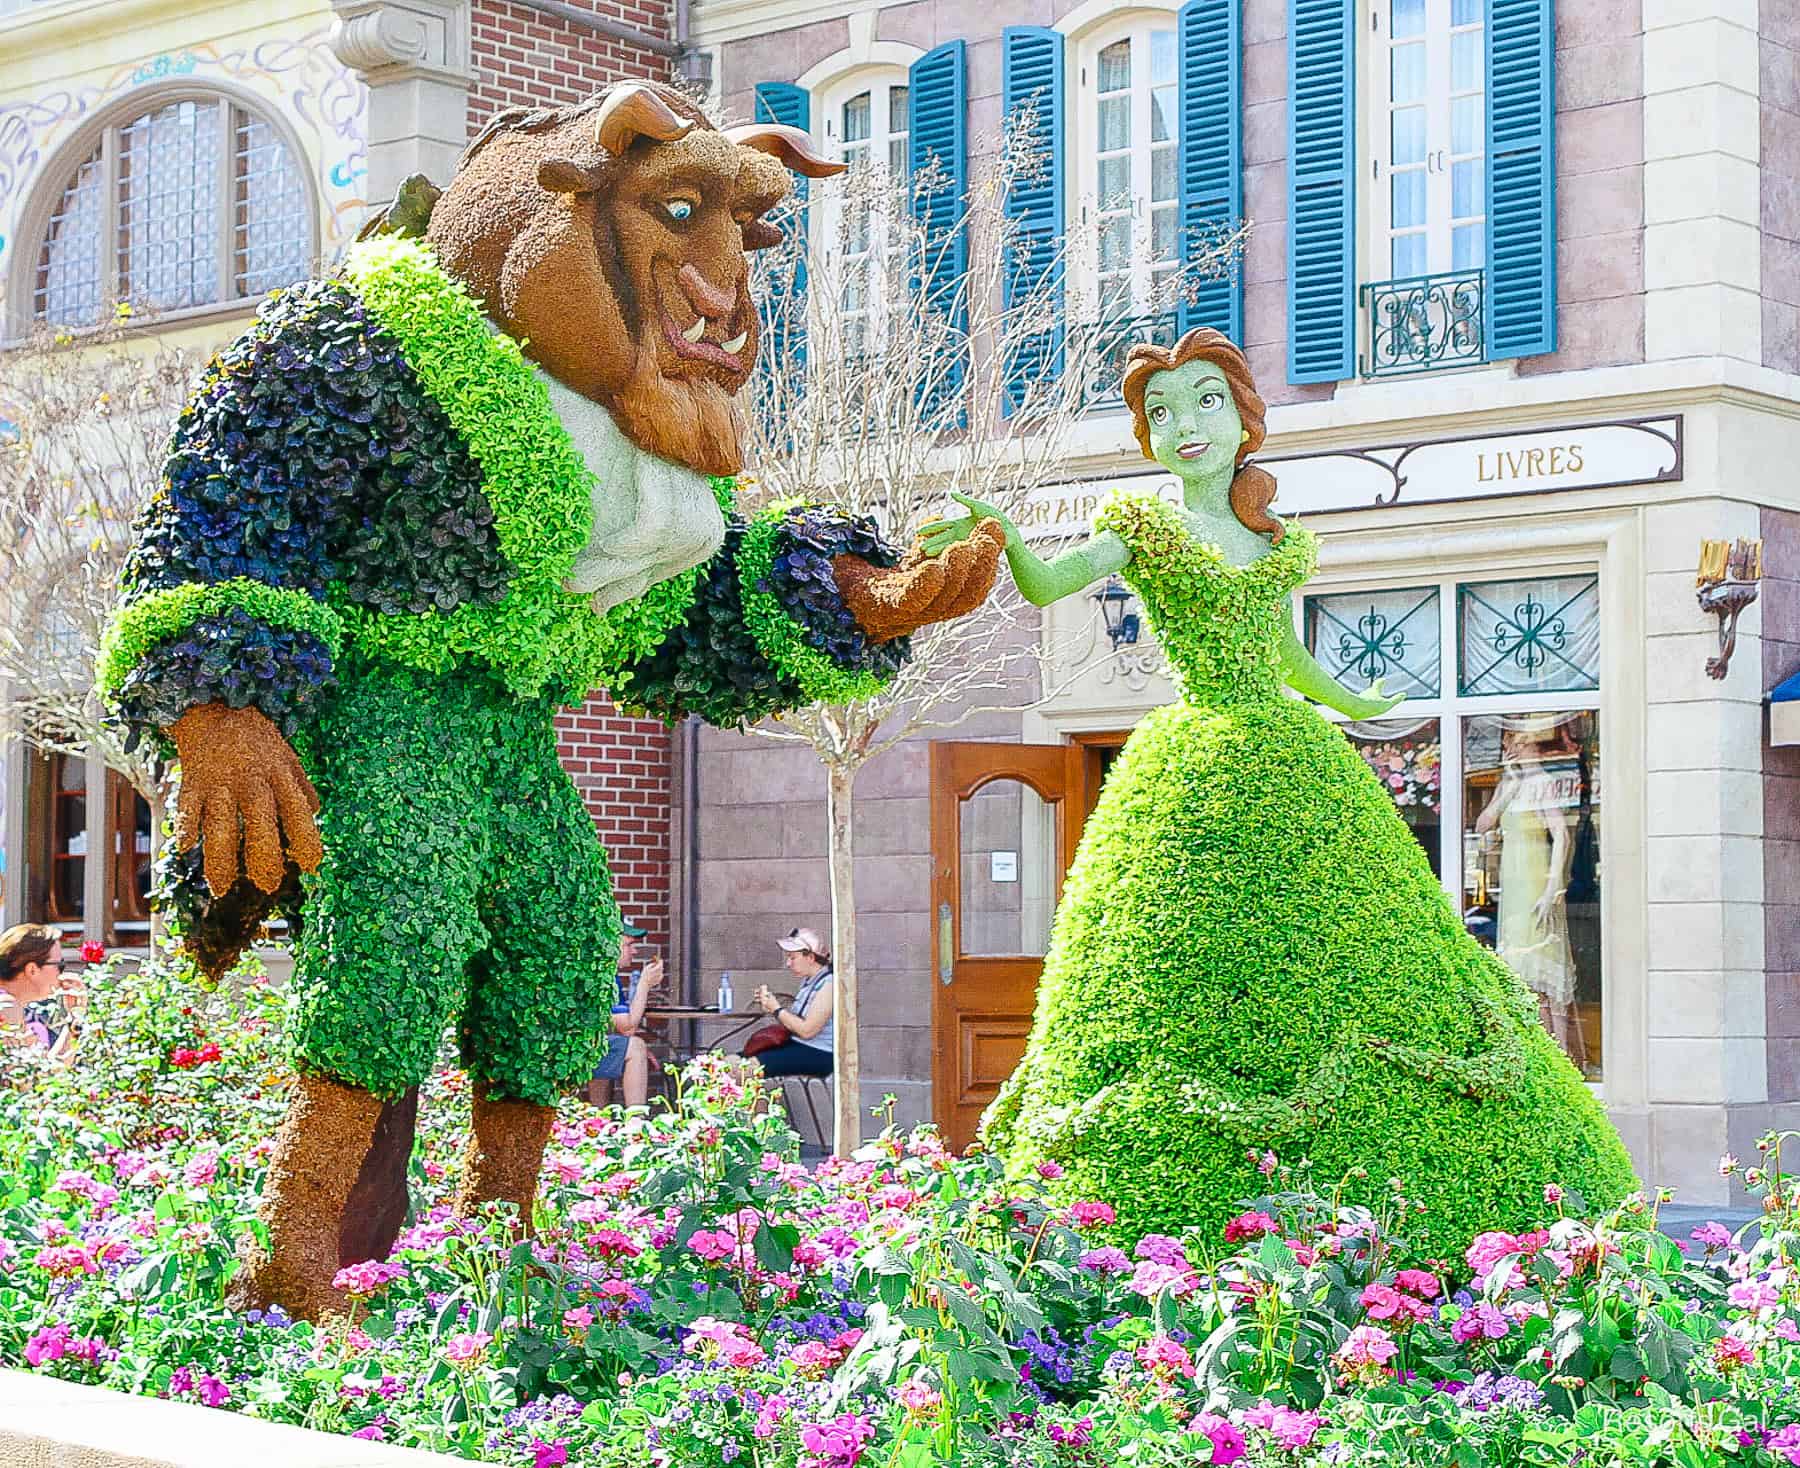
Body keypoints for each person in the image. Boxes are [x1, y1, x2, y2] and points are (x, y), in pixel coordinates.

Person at [917, 327, 1634, 1245]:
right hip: (1199, 752)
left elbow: (1282, 647)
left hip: (1292, 747)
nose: (1185, 427)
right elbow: (1055, 583)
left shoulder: (1270, 538)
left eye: (1206, 403)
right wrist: (1003, 535)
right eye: (1161, 412)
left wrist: (1344, 694)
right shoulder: (1143, 528)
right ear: (1146, 435)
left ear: (1243, 420)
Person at [1475, 715, 1587, 1071]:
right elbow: (1483, 824)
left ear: (1526, 746)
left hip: (1535, 880)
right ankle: (1540, 1058)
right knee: (1524, 973)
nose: (1508, 750)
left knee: (1544, 971)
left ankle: (1561, 1061)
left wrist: (1554, 886)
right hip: (1514, 882)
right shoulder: (1512, 784)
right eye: (1507, 745)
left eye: (1512, 744)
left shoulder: (1541, 782)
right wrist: (1507, 784)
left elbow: (1563, 835)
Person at [586, 920, 664, 1108]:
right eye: (629, 945)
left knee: (613, 1046)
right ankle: (635, 1125)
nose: (634, 951)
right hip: (568, 1051)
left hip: (581, 1046)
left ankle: (598, 1120)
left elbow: (621, 1030)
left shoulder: (605, 972)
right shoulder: (602, 975)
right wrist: (644, 983)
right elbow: (627, 1027)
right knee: (635, 1047)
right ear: (611, 943)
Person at [749, 927, 834, 1078]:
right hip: (799, 1045)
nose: (788, 963)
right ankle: (754, 1101)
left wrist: (776, 1009)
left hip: (818, 1052)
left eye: (792, 957)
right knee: (728, 1065)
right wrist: (770, 1006)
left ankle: (759, 1101)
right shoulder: (809, 981)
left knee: (743, 1071)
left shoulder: (829, 984)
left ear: (810, 957)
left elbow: (807, 1031)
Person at [0, 923, 83, 1066]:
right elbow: (45, 1076)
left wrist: (74, 1020)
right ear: (32, 970)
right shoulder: (7, 1007)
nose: (62, 972)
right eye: (59, 965)